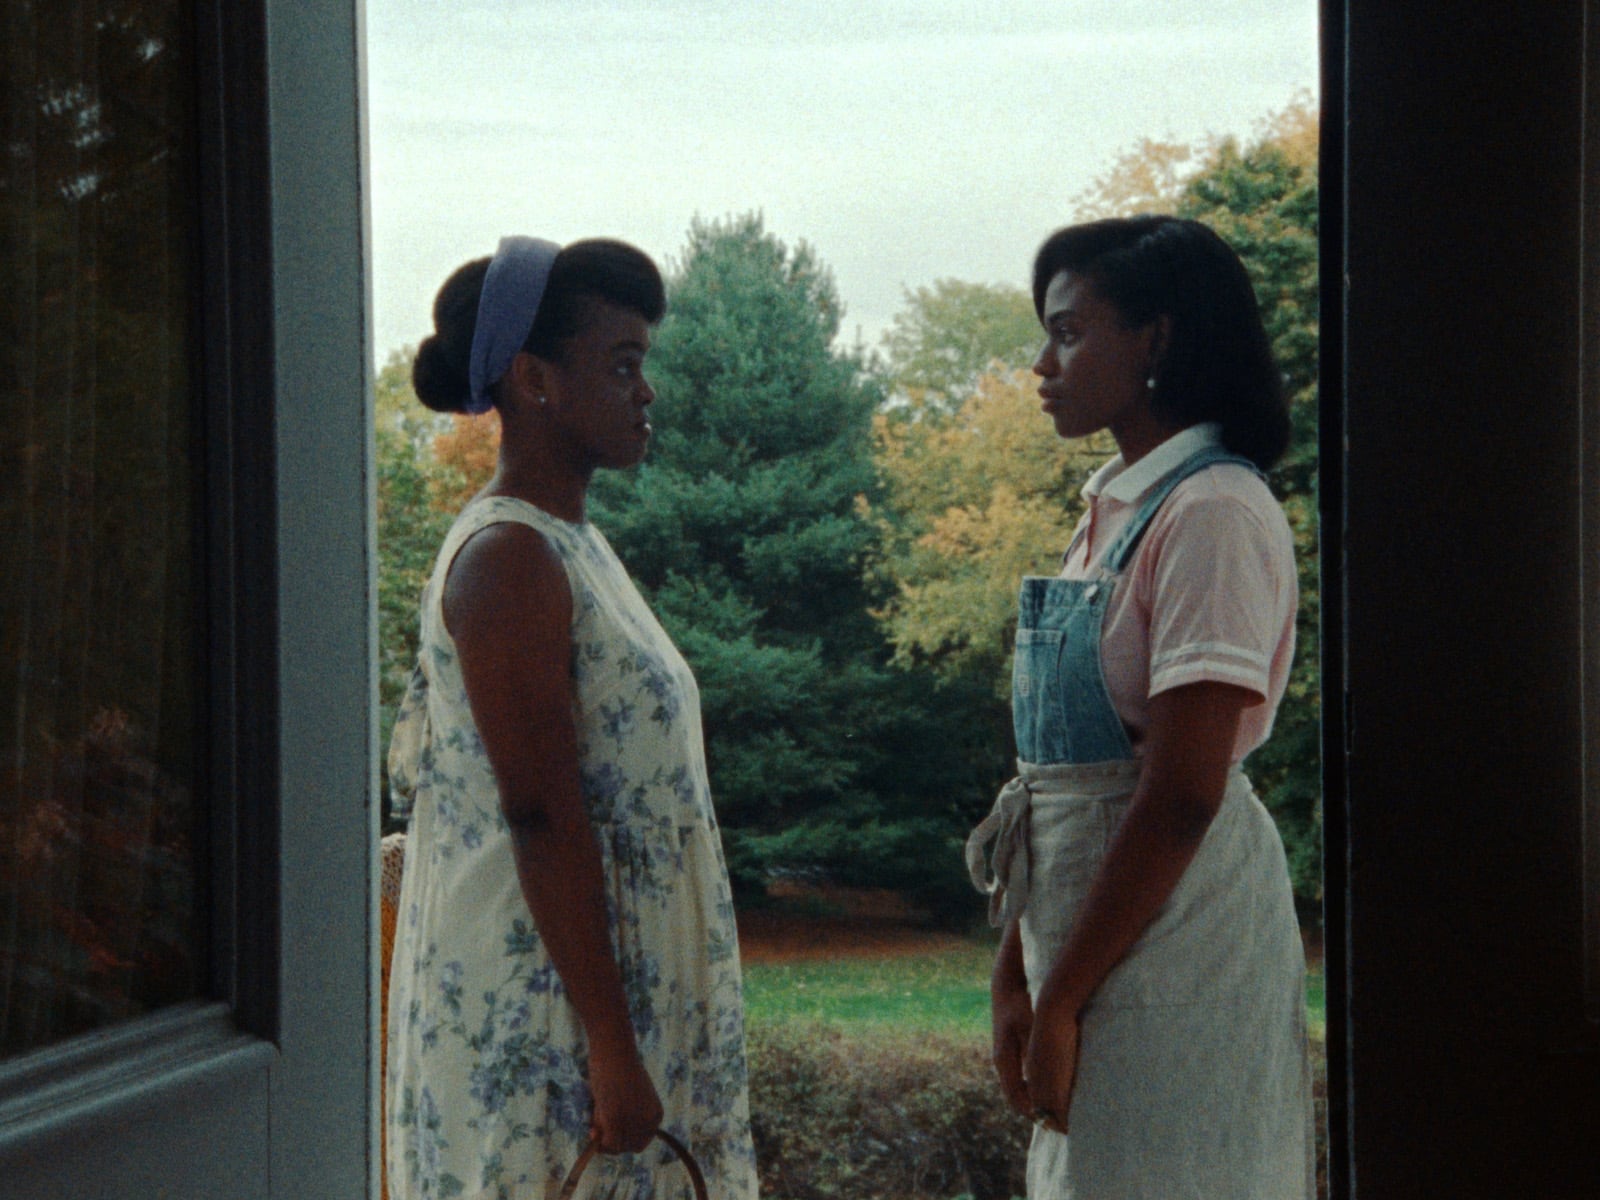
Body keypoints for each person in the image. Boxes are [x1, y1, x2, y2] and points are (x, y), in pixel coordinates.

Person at [385, 236, 758, 1200]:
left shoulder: (573, 544)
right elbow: (540, 815)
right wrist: (610, 1046)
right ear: (535, 379)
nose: (647, 392)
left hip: (613, 996)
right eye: (623, 365)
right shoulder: (507, 558)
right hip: (550, 1012)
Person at [966, 215, 1315, 1198]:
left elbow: (1180, 792)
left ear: (1156, 339)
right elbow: (1054, 781)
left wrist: (1064, 994)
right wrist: (1019, 971)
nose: (1042, 363)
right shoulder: (1115, 509)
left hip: (1180, 938)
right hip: (1084, 933)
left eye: (1069, 332)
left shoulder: (1212, 511)